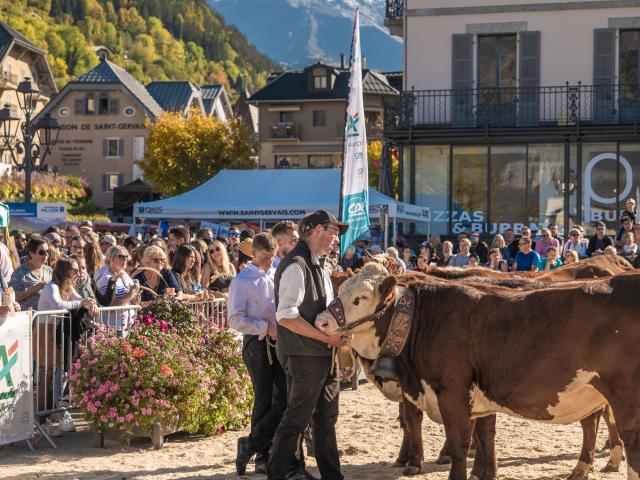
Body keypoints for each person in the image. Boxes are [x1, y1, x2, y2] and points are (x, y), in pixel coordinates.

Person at [269, 210, 347, 480]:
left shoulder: (317, 264)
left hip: (321, 354)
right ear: (315, 230)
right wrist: (327, 338)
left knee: (326, 422)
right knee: (295, 422)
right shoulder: (296, 265)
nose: (336, 237)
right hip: (304, 356)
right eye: (333, 230)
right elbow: (286, 316)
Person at [230, 233, 285, 476]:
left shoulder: (275, 274)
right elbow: (234, 320)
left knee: (282, 398)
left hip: (277, 343)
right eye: (265, 257)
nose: (269, 262)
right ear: (254, 254)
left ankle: (251, 444)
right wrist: (265, 327)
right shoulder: (241, 281)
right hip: (256, 344)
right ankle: (262, 455)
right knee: (263, 399)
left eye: (272, 258)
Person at [9, 236, 53, 311]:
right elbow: (12, 298)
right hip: (28, 319)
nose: (46, 255)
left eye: (48, 252)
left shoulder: (50, 271)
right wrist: (35, 288)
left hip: (47, 319)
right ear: (31, 253)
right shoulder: (19, 273)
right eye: (42, 252)